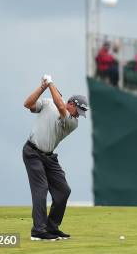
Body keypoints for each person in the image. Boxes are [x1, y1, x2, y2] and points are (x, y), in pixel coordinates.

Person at [22, 75, 89, 241]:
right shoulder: (48, 102)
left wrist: (50, 82)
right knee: (41, 189)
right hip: (32, 152)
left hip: (49, 158)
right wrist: (43, 88)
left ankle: (51, 227)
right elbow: (28, 104)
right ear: (72, 104)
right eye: (78, 111)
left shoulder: (72, 122)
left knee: (63, 191)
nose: (78, 116)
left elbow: (60, 106)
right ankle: (38, 231)